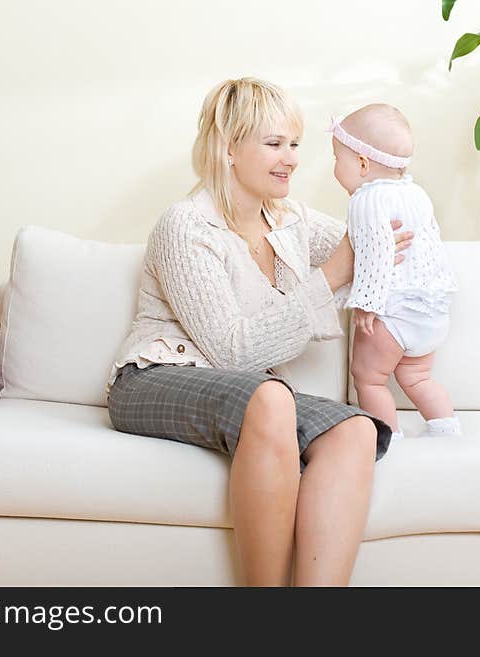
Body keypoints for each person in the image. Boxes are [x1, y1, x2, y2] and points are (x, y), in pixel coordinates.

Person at [106, 78, 412, 586]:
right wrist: (335, 273)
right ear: (229, 149)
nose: (291, 158)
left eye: (294, 143)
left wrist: (383, 191)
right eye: (274, 144)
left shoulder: (291, 220)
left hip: (252, 393)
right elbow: (233, 350)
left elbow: (374, 237)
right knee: (271, 398)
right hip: (154, 376)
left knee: (355, 430)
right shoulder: (185, 226)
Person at [330, 103, 460, 441]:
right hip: (430, 310)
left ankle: (389, 441)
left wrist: (366, 303)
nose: (334, 168)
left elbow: (376, 254)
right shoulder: (417, 194)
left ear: (361, 163)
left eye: (336, 159)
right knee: (417, 377)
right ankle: (446, 429)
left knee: (369, 378)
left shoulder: (366, 199)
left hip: (392, 311)